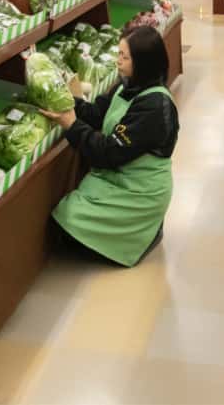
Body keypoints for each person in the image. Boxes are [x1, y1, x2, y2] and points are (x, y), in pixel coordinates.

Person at [41, 26, 179, 267]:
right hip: (119, 178)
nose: (118, 62)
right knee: (66, 213)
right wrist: (61, 100)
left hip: (140, 190)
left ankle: (144, 233)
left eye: (125, 57)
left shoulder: (155, 106)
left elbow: (108, 152)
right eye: (119, 54)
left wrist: (72, 125)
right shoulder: (128, 86)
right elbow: (95, 113)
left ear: (144, 62)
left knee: (69, 219)